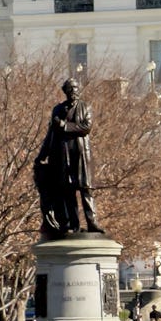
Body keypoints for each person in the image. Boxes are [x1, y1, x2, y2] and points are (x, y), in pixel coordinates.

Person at [34, 77, 103, 236]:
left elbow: (86, 127)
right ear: (65, 91)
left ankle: (92, 223)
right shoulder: (58, 110)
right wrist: (42, 155)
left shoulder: (85, 107)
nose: (73, 92)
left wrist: (64, 126)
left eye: (75, 88)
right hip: (64, 156)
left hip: (81, 155)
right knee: (68, 191)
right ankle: (74, 225)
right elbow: (50, 135)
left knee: (86, 189)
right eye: (70, 89)